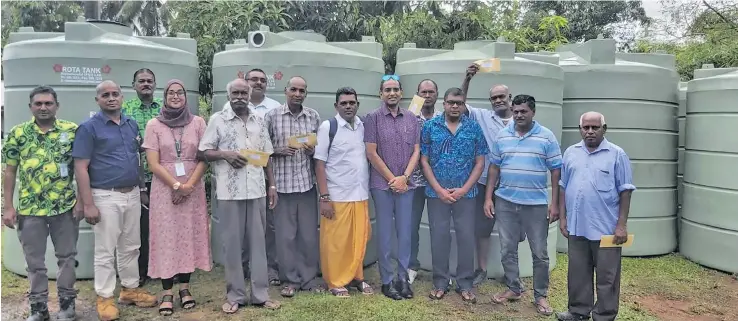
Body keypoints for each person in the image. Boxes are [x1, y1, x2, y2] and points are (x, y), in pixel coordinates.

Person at [73, 80, 157, 321]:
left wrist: (141, 188)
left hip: (131, 193)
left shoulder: (130, 124)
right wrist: (88, 203)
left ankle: (130, 289)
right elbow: (81, 168)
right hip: (104, 195)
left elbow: (137, 159)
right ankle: (105, 297)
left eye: (115, 94)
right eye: (105, 95)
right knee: (105, 250)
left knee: (131, 246)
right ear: (97, 100)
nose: (111, 98)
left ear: (122, 97)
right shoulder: (88, 128)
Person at [199, 78, 281, 313]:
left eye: (243, 92)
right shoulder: (218, 119)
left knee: (258, 243)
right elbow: (203, 151)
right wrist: (225, 154)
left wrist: (272, 186)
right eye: (235, 92)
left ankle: (260, 294)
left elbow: (266, 156)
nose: (239, 96)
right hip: (229, 192)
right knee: (233, 245)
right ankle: (235, 295)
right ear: (229, 94)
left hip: (256, 190)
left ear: (249, 93)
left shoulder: (258, 119)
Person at [2, 86, 83, 321]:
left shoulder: (72, 131)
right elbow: (9, 172)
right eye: (38, 104)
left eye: (48, 103)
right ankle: (39, 309)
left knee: (67, 257)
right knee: (34, 262)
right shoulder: (18, 133)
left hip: (64, 207)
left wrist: (80, 201)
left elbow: (81, 168)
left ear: (57, 105)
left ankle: (67, 305)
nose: (43, 107)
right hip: (30, 209)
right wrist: (7, 206)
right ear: (31, 107)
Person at [483, 94, 562, 316]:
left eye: (523, 111)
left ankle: (541, 296)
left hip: (535, 204)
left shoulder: (546, 137)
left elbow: (556, 171)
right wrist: (489, 198)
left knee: (540, 253)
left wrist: (554, 203)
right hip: (506, 202)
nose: (518, 115)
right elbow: (494, 169)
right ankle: (514, 288)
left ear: (533, 112)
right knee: (507, 249)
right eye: (515, 111)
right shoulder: (502, 136)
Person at [556, 112, 636, 321]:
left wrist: (621, 225)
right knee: (578, 274)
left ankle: (604, 315)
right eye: (585, 127)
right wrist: (563, 218)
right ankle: (578, 312)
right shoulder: (571, 153)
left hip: (606, 228)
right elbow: (563, 187)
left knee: (607, 277)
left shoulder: (617, 154)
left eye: (595, 127)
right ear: (580, 129)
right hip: (577, 225)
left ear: (604, 129)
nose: (590, 131)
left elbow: (625, 191)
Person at [142, 79, 211, 316]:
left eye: (180, 92)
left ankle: (185, 288)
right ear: (164, 97)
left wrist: (188, 186)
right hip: (164, 189)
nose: (175, 96)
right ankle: (167, 291)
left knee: (187, 236)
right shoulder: (154, 124)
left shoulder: (198, 123)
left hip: (193, 187)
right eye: (170, 93)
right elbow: (152, 163)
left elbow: (204, 157)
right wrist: (175, 185)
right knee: (166, 237)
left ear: (185, 96)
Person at [421, 87, 488, 304]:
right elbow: (424, 160)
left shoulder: (474, 127)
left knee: (466, 237)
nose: (455, 106)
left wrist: (464, 189)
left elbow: (480, 162)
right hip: (436, 194)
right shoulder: (431, 127)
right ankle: (440, 282)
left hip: (466, 195)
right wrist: (439, 189)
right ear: (444, 103)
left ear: (464, 103)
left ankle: (465, 283)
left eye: (459, 103)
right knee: (439, 237)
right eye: (451, 102)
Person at [265, 76, 324, 297]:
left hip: (306, 185)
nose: (298, 94)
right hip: (282, 186)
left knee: (308, 235)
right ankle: (289, 279)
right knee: (285, 236)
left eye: (302, 90)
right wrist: (278, 151)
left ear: (306, 93)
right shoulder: (272, 116)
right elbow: (262, 150)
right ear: (286, 91)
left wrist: (311, 151)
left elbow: (320, 151)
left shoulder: (313, 116)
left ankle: (308, 278)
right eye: (294, 90)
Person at [364, 75, 420, 300]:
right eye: (387, 90)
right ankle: (387, 281)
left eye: (395, 89)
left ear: (401, 92)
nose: (392, 93)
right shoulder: (373, 118)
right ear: (381, 94)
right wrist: (393, 179)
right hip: (381, 185)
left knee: (405, 233)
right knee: (386, 234)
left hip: (407, 185)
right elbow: (371, 152)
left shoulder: (411, 119)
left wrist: (404, 178)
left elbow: (416, 150)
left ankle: (403, 278)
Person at [314, 87, 374, 297]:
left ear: (357, 104)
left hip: (360, 194)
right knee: (336, 242)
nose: (348, 106)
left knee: (359, 238)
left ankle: (356, 277)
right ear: (336, 106)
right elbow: (319, 164)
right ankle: (335, 281)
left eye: (352, 103)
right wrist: (324, 197)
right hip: (337, 194)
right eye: (344, 103)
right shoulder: (328, 127)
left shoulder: (363, 126)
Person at [461, 63, 515, 286]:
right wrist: (467, 79)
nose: (498, 101)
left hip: (512, 185)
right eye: (494, 98)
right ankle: (481, 269)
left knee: (511, 231)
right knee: (483, 228)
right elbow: (460, 104)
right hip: (485, 184)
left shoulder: (521, 120)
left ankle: (511, 273)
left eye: (501, 96)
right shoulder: (483, 117)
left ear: (509, 97)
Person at [228, 68, 282, 285]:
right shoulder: (229, 108)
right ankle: (242, 268)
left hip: (263, 175)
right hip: (236, 179)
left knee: (266, 226)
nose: (258, 83)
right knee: (239, 228)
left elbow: (272, 145)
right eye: (254, 80)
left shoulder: (275, 108)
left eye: (262, 80)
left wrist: (272, 183)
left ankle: (269, 269)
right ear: (245, 83)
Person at [121, 68, 162, 285]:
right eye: (141, 81)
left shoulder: (164, 110)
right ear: (134, 85)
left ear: (155, 85)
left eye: (149, 81)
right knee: (138, 227)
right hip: (137, 178)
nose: (145, 84)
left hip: (162, 177)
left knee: (162, 225)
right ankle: (141, 269)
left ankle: (162, 267)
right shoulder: (124, 111)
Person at [408, 79, 441, 284]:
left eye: (431, 92)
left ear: (437, 94)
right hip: (415, 182)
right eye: (423, 92)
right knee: (411, 226)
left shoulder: (443, 117)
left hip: (439, 182)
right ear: (418, 94)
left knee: (439, 227)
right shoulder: (410, 117)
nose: (427, 95)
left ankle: (441, 271)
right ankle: (411, 266)